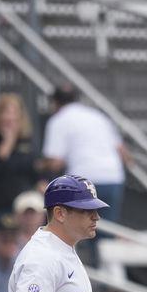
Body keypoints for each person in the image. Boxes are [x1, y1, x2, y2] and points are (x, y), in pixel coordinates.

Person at [42, 84, 127, 224]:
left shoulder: (58, 120)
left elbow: (55, 162)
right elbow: (122, 151)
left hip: (82, 182)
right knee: (107, 234)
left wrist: (38, 166)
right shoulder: (98, 116)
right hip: (113, 177)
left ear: (55, 102)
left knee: (79, 231)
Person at [0, 93, 43, 227]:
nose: (10, 118)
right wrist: (8, 141)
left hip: (25, 206)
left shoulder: (27, 140)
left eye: (14, 113)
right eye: (6, 112)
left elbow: (34, 170)